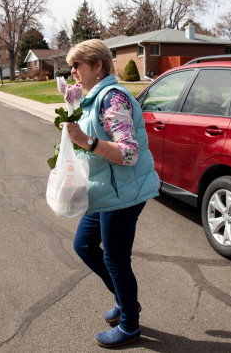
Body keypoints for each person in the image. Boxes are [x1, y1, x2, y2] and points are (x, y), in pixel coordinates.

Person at [61, 39, 159, 348]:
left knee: (116, 260)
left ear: (98, 65)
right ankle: (124, 299)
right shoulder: (96, 97)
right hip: (107, 189)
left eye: (77, 65)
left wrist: (86, 141)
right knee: (85, 245)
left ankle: (130, 324)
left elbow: (129, 153)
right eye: (71, 66)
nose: (72, 71)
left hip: (123, 194)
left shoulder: (113, 99)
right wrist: (73, 104)